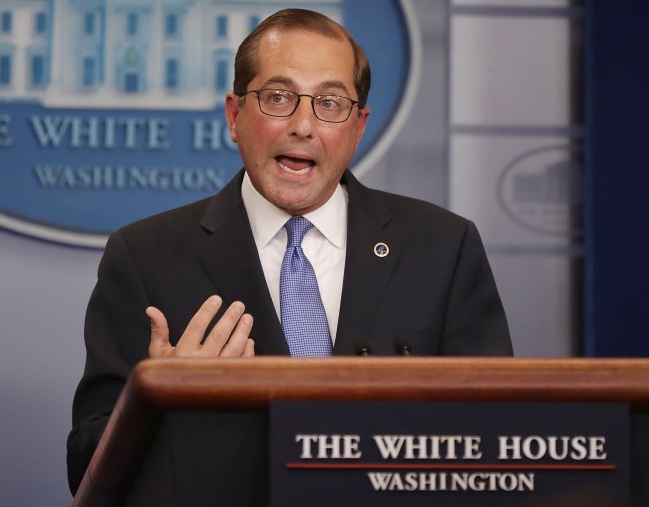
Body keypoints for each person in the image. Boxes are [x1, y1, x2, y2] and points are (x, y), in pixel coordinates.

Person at [67, 8, 512, 495]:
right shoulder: (145, 256)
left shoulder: (443, 247)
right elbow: (86, 466)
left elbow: (495, 438)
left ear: (359, 128)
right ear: (235, 116)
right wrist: (160, 406)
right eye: (279, 97)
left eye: (330, 102)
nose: (303, 125)